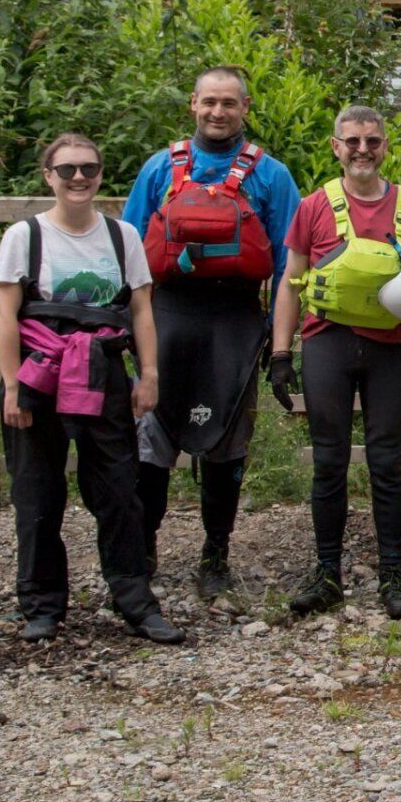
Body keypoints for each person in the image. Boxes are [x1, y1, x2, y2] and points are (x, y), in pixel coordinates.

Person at [0, 134, 185, 644]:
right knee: (37, 491)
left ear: (100, 175)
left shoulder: (123, 236)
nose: (79, 178)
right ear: (47, 175)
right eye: (68, 169)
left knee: (119, 491)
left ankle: (135, 601)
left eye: (89, 169)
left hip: (102, 374)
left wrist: (149, 375)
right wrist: (11, 385)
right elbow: (4, 313)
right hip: (38, 375)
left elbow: (140, 310)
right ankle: (42, 606)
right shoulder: (24, 237)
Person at [124, 67, 301, 599]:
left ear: (245, 107)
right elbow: (130, 252)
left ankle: (215, 554)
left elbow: (289, 264)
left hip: (235, 320)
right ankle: (143, 544)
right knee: (152, 438)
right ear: (193, 105)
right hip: (168, 318)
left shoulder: (272, 176)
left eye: (229, 104)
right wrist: (128, 328)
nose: (218, 113)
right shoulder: (161, 168)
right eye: (209, 103)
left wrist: (277, 341)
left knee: (227, 439)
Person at [270, 107, 401, 620]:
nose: (362, 149)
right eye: (352, 141)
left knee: (386, 462)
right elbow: (291, 281)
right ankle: (327, 571)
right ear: (335, 146)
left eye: (372, 140)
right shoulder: (313, 206)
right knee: (329, 461)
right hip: (328, 343)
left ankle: (393, 572)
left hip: (389, 350)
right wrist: (281, 353)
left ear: (385, 145)